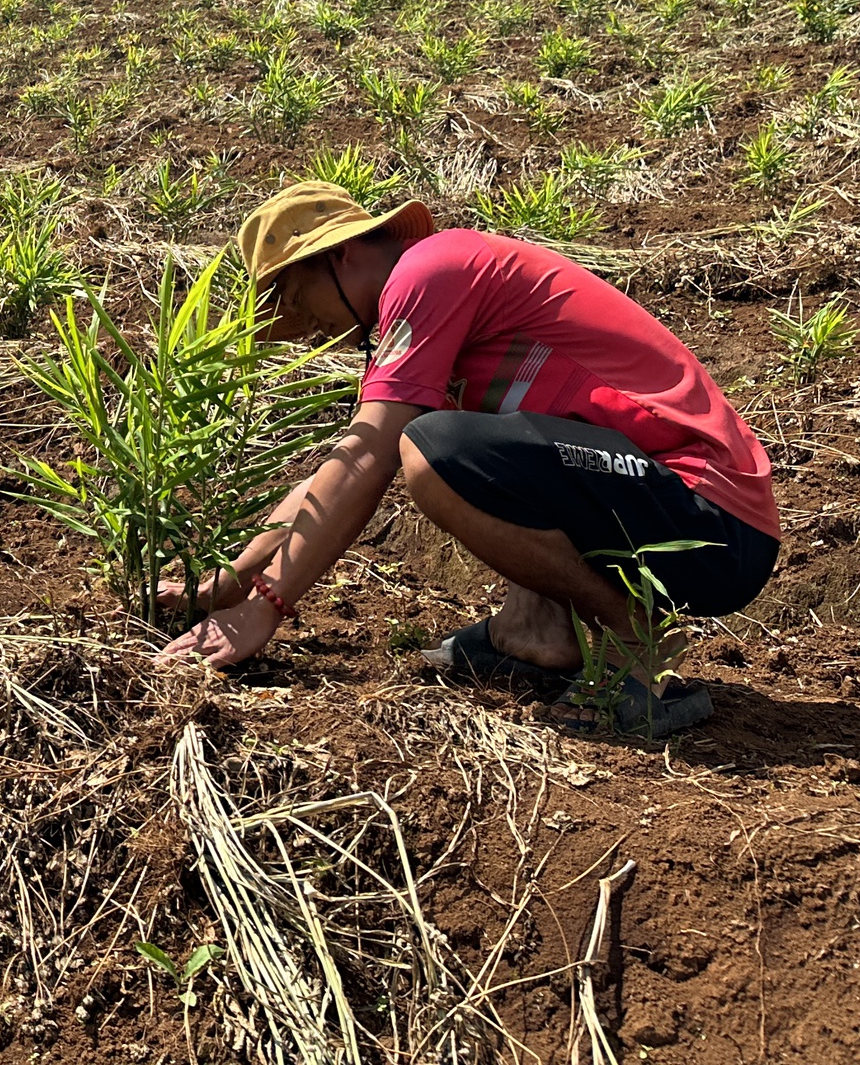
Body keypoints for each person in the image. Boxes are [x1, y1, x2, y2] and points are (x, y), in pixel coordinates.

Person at [162, 181, 780, 736]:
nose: (307, 328)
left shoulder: (429, 271)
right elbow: (347, 460)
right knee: (456, 439)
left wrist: (265, 607)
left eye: (298, 301)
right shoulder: (423, 295)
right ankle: (533, 631)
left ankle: (635, 644)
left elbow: (371, 457)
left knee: (435, 449)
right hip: (653, 499)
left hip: (709, 515)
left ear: (339, 256)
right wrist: (237, 576)